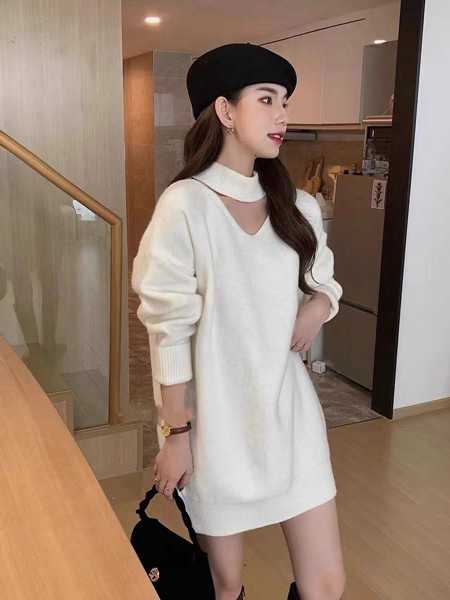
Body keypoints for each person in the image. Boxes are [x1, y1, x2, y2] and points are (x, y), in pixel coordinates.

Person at [132, 43, 346, 600]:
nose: (283, 115)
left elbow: (324, 279)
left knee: (327, 584)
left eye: (285, 102)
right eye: (267, 99)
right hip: (215, 430)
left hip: (291, 420)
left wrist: (318, 305)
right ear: (225, 110)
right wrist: (176, 436)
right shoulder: (185, 205)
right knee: (224, 588)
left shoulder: (298, 205)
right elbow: (168, 329)